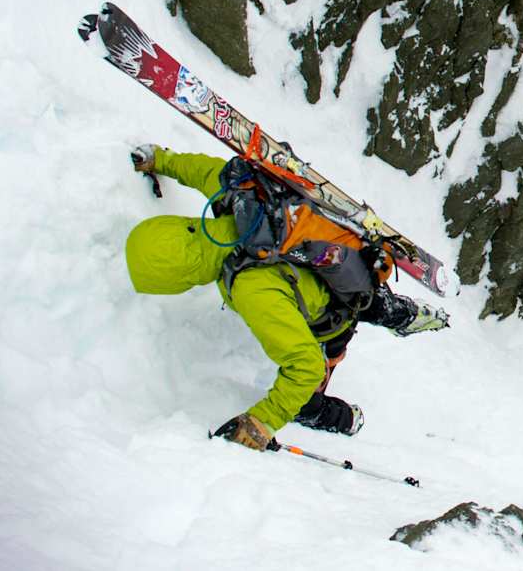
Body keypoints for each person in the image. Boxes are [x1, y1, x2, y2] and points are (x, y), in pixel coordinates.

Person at [123, 145, 448, 451]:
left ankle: (348, 420)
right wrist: (161, 159)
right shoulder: (238, 202)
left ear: (180, 279)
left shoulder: (251, 289)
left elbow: (305, 366)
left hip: (333, 320)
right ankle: (406, 315)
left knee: (303, 402)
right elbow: (202, 170)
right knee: (372, 301)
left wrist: (262, 422)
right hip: (344, 264)